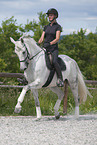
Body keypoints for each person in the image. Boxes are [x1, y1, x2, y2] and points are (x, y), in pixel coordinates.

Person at [38, 8, 64, 87]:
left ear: (55, 16)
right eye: (49, 15)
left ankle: (60, 79)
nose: (49, 17)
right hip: (45, 48)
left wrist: (50, 43)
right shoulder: (46, 27)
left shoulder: (58, 27)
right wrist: (38, 43)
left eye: (51, 15)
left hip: (53, 49)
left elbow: (57, 39)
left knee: (54, 61)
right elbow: (42, 38)